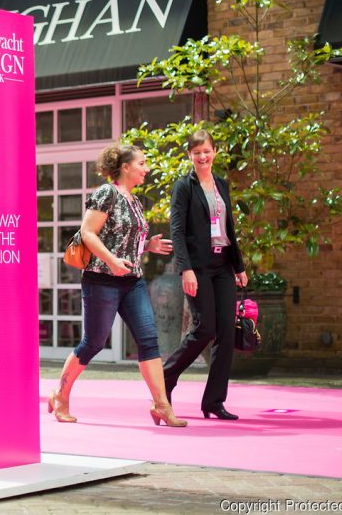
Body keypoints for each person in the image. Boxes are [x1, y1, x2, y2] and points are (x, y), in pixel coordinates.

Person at [48, 144, 186, 427]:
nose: (147, 169)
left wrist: (147, 246)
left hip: (132, 280)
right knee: (93, 343)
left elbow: (123, 241)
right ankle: (60, 395)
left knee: (148, 340)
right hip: (101, 279)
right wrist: (111, 261)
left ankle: (161, 404)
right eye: (142, 163)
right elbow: (88, 233)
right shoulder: (106, 193)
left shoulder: (135, 201)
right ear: (125, 167)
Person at [163, 130, 249, 420]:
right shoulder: (183, 187)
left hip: (223, 264)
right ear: (189, 155)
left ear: (215, 152)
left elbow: (228, 227)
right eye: (197, 152)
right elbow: (177, 230)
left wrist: (239, 266)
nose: (202, 156)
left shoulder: (221, 184)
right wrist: (185, 268)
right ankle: (166, 377)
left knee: (226, 330)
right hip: (198, 267)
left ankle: (214, 401)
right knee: (205, 329)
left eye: (207, 151)